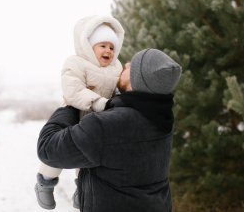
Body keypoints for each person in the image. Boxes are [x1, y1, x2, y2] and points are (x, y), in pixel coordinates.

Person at [36, 48, 182, 212]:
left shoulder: (106, 126)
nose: (126, 64)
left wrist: (69, 105)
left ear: (137, 80)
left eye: (132, 66)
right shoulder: (161, 118)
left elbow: (48, 149)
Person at [34, 15, 125, 210]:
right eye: (103, 45)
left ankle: (81, 189)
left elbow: (119, 88)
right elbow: (73, 89)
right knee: (60, 152)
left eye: (112, 47)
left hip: (98, 119)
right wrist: (99, 102)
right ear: (88, 45)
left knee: (86, 159)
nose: (108, 50)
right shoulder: (76, 63)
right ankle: (45, 181)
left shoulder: (116, 67)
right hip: (75, 114)